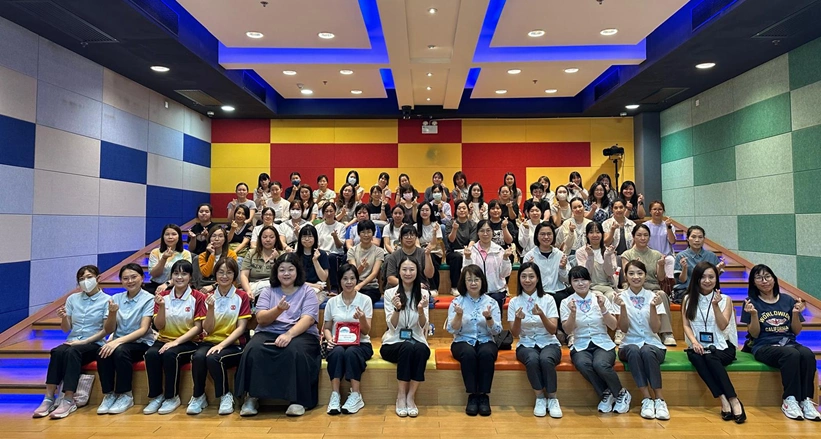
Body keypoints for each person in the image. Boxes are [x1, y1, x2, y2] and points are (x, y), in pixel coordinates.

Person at [235, 253, 322, 417]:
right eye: (282, 270)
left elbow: (308, 319)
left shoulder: (308, 291)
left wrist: (289, 334)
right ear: (276, 272)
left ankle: (298, 400)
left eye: (290, 269)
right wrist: (278, 310)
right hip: (269, 330)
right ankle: (252, 397)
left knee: (295, 350)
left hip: (300, 333)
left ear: (297, 271)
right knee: (253, 349)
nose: (286, 273)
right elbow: (261, 318)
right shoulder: (268, 291)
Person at [740, 265, 820, 421]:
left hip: (788, 342)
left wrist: (795, 314)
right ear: (753, 282)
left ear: (774, 279)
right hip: (763, 346)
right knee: (791, 354)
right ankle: (789, 399)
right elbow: (754, 334)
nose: (764, 281)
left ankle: (805, 400)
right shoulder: (751, 302)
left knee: (807, 354)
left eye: (767, 276)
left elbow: (796, 331)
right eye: (759, 278)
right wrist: (754, 315)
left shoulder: (787, 300)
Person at [32, 265, 111, 419]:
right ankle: (49, 397)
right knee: (57, 351)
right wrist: (64, 318)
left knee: (72, 352)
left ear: (98, 278)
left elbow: (106, 330)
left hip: (94, 343)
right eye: (81, 279)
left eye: (89, 277)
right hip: (73, 340)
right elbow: (66, 328)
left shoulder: (107, 300)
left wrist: (84, 342)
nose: (85, 281)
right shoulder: (72, 299)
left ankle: (68, 399)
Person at [560, 266, 631, 415]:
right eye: (576, 280)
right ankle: (607, 392)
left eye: (584, 279)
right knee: (583, 364)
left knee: (600, 364)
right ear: (570, 283)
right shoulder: (566, 302)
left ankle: (621, 393)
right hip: (580, 344)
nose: (580, 283)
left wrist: (603, 308)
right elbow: (567, 330)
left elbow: (613, 326)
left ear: (590, 281)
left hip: (602, 342)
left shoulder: (600, 298)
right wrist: (573, 313)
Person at [681, 261, 745, 423]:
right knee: (696, 356)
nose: (707, 280)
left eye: (711, 277)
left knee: (710, 357)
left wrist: (715, 305)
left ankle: (733, 399)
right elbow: (686, 324)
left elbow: (723, 325)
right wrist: (694, 342)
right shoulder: (688, 299)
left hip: (723, 346)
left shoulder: (725, 299)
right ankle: (723, 398)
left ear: (717, 279)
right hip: (699, 345)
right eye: (703, 277)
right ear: (696, 279)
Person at [187, 258, 251, 415]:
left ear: (234, 275)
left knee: (213, 358)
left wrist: (221, 345)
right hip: (210, 341)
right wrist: (211, 308)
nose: (224, 276)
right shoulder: (207, 297)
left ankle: (225, 395)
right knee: (198, 357)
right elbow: (207, 329)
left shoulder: (242, 296)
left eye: (229, 272)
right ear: (215, 275)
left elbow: (241, 328)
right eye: (221, 272)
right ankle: (198, 396)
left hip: (234, 344)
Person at [143, 260, 206, 415]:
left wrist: (176, 342)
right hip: (164, 339)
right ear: (171, 276)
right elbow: (159, 326)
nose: (179, 277)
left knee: (171, 354)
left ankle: (172, 397)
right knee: (151, 354)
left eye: (184, 274)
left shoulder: (198, 297)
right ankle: (156, 396)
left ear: (190, 277)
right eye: (176, 273)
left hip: (189, 341)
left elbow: (198, 328)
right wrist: (162, 307)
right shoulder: (163, 296)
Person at [95, 264, 155, 415]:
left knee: (120, 351)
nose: (130, 281)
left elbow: (143, 330)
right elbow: (109, 329)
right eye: (125, 278)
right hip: (119, 342)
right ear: (121, 281)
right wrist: (112, 313)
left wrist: (117, 341)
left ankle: (126, 395)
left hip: (141, 343)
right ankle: (109, 394)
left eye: (134, 277)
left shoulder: (149, 299)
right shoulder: (115, 298)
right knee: (103, 351)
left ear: (142, 278)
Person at [613, 260, 669, 420]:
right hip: (628, 345)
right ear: (626, 276)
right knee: (633, 349)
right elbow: (623, 329)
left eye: (639, 273)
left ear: (645, 275)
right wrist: (622, 307)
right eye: (631, 273)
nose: (635, 277)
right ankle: (647, 399)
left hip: (653, 345)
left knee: (646, 350)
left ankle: (660, 399)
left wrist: (652, 307)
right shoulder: (620, 297)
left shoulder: (654, 297)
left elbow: (656, 329)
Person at [508, 262, 562, 418]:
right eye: (523, 276)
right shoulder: (514, 302)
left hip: (549, 341)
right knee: (532, 359)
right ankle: (539, 397)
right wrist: (518, 319)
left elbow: (553, 329)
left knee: (546, 359)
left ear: (538, 278)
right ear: (519, 279)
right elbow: (515, 333)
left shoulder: (548, 299)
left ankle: (552, 398)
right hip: (526, 343)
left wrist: (542, 315)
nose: (527, 280)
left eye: (531, 276)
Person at [447, 265, 502, 416]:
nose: (473, 283)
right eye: (469, 280)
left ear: (482, 281)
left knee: (486, 353)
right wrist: (458, 315)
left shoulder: (491, 302)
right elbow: (452, 330)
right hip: (462, 340)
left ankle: (483, 396)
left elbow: (497, 331)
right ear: (463, 282)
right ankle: (472, 395)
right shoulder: (457, 302)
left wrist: (489, 318)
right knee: (468, 353)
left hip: (486, 339)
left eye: (476, 279)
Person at [381, 258, 431, 418]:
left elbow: (423, 326)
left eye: (411, 269)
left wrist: (421, 311)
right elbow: (392, 326)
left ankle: (411, 396)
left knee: (421, 349)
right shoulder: (390, 293)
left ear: (417, 272)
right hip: (393, 342)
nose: (408, 273)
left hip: (417, 339)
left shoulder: (424, 294)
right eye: (404, 269)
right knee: (407, 347)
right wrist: (397, 309)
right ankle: (401, 396)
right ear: (399, 271)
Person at [323, 264, 374, 415]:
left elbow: (366, 331)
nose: (349, 282)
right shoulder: (332, 302)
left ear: (357, 280)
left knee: (351, 352)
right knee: (337, 352)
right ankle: (335, 395)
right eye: (345, 278)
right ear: (339, 281)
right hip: (338, 343)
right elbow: (326, 327)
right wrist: (330, 339)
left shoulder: (365, 300)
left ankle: (356, 395)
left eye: (352, 278)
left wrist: (362, 318)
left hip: (361, 344)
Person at [621, 224, 677, 346]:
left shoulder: (656, 254)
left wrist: (661, 265)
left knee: (661, 295)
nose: (642, 238)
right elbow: (626, 276)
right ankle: (622, 332)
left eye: (646, 235)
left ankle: (666, 333)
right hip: (634, 289)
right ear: (633, 237)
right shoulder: (627, 254)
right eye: (639, 235)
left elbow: (660, 278)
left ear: (649, 237)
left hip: (652, 288)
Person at [463, 220, 514, 311]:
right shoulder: (470, 251)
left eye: (488, 230)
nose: (485, 234)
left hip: (496, 291)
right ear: (477, 233)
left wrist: (505, 258)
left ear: (493, 232)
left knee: (495, 303)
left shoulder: (499, 250)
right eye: (482, 231)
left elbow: (505, 274)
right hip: (476, 291)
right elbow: (465, 273)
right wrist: (467, 258)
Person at [521, 222, 570, 312]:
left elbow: (566, 279)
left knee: (562, 300)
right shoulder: (529, 256)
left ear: (553, 236)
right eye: (542, 234)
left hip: (558, 291)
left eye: (549, 234)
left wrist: (562, 268)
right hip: (538, 292)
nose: (546, 237)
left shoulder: (560, 255)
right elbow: (524, 281)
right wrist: (530, 271)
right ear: (537, 236)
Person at [673, 225, 725, 296]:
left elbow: (714, 278)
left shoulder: (711, 256)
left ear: (704, 239)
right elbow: (682, 280)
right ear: (687, 238)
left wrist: (718, 268)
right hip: (687, 290)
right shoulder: (681, 256)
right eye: (693, 237)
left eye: (700, 237)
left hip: (707, 290)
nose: (697, 240)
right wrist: (684, 268)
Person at [346, 219, 387, 304]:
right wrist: (361, 267)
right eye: (363, 232)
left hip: (371, 288)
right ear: (358, 234)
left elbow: (374, 273)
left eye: (369, 232)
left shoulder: (379, 251)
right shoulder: (352, 251)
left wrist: (360, 286)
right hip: (354, 286)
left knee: (364, 301)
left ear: (373, 234)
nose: (366, 235)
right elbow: (354, 274)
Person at [384, 225, 435, 291]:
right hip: (399, 288)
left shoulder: (423, 253)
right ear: (401, 238)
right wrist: (410, 285)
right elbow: (390, 279)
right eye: (405, 235)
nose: (409, 238)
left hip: (420, 289)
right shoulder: (394, 255)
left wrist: (427, 255)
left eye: (412, 235)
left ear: (416, 238)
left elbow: (429, 275)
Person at [240, 225, 283, 301]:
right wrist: (248, 290)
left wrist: (274, 261)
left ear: (276, 239)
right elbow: (244, 275)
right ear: (260, 238)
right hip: (254, 287)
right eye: (264, 237)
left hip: (273, 287)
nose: (268, 240)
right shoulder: (251, 253)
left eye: (271, 237)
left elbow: (281, 277)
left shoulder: (282, 255)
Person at [146, 224, 193, 294]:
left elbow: (185, 275)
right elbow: (154, 274)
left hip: (178, 286)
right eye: (167, 234)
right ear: (163, 237)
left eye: (174, 234)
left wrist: (167, 284)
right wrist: (164, 258)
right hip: (156, 286)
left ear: (179, 237)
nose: (170, 237)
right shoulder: (155, 252)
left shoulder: (185, 253)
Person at [446, 200, 478, 296]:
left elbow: (473, 239)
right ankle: (455, 287)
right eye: (459, 208)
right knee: (457, 257)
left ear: (468, 210)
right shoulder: (450, 223)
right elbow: (451, 240)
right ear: (456, 211)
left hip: (469, 250)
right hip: (453, 252)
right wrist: (454, 229)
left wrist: (468, 249)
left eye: (464, 208)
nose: (462, 210)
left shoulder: (473, 224)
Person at [315, 202, 347, 292]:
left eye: (331, 211)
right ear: (323, 213)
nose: (329, 213)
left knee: (332, 257)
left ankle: (334, 286)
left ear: (335, 212)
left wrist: (335, 237)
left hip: (336, 253)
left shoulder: (341, 226)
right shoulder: (318, 227)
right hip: (322, 253)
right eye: (326, 211)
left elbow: (340, 245)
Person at [296, 224, 330, 304]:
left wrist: (315, 261)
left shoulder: (322, 254)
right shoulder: (295, 256)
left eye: (310, 236)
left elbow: (323, 278)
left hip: (318, 288)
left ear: (315, 238)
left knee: (312, 300)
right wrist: (312, 286)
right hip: (300, 287)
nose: (307, 239)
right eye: (304, 236)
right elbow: (294, 280)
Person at [417, 202, 444, 294]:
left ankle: (433, 287)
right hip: (421, 252)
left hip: (435, 252)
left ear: (431, 212)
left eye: (427, 210)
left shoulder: (436, 225)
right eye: (422, 210)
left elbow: (435, 244)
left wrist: (434, 233)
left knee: (430, 257)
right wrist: (423, 251)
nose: (424, 212)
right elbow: (416, 243)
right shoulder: (415, 226)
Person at [556, 197, 592, 267]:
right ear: (571, 210)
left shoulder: (589, 223)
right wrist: (571, 232)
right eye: (575, 208)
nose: (578, 209)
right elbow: (568, 244)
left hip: (586, 254)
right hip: (570, 254)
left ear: (584, 207)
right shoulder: (567, 223)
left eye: (580, 206)